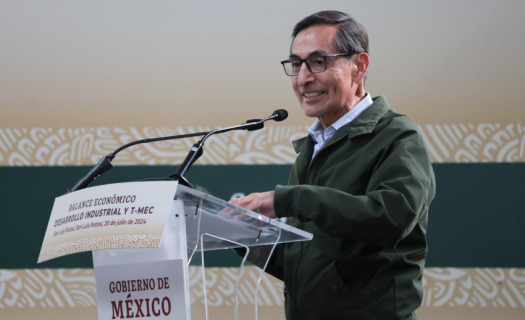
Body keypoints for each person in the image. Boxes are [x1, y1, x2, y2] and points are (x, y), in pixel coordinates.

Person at [230, 10, 435, 320]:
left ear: (359, 66)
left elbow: (392, 216)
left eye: (318, 61)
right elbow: (305, 263)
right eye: (297, 64)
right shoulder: (314, 146)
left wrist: (287, 199)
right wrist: (236, 232)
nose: (303, 79)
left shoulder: (397, 135)